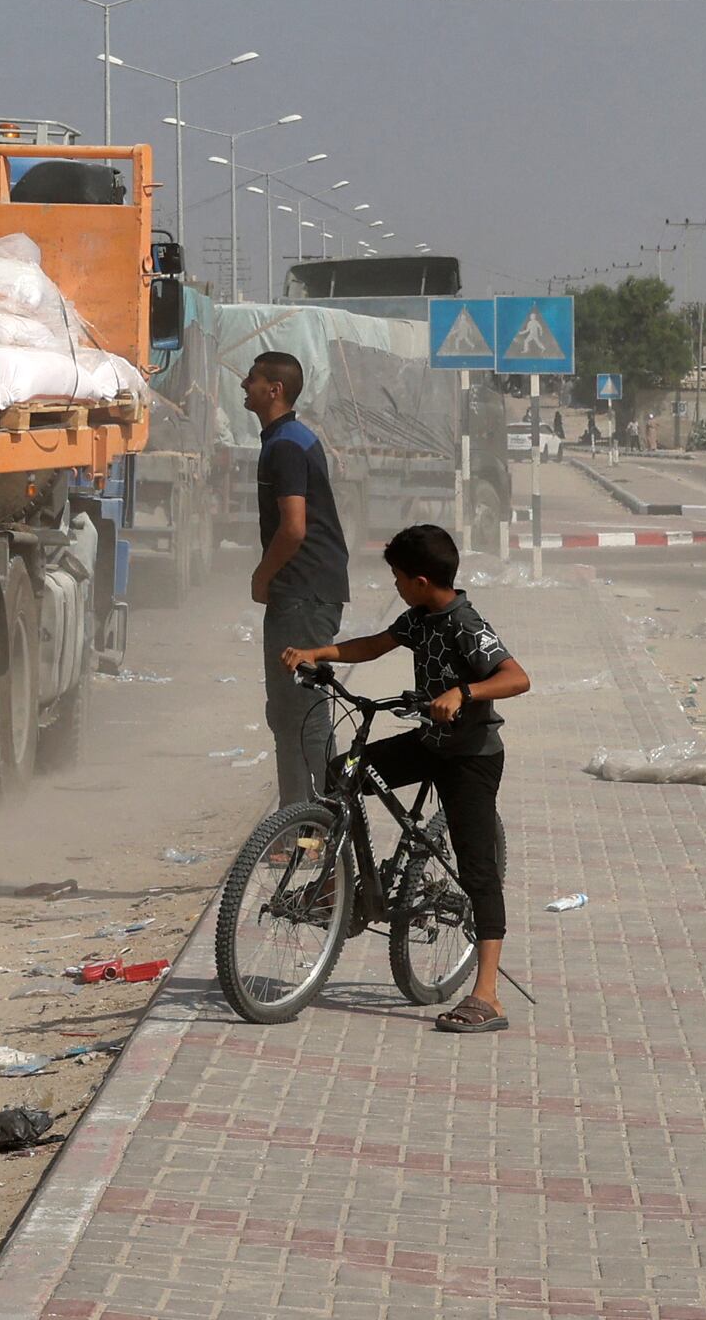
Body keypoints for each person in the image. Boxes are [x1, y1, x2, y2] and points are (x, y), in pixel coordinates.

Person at [280, 522, 532, 1033]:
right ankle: (342, 888)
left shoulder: (465, 622)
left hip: (470, 756)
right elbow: (374, 645)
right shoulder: (418, 618)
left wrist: (463, 692)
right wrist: (319, 653)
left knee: (477, 867)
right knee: (343, 771)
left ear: (419, 580)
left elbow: (516, 677)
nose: (393, 585)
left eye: (396, 577)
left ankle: (487, 995)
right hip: (428, 743)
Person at [243, 348, 346, 808]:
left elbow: (294, 527)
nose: (244, 386)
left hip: (303, 593)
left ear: (274, 389)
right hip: (303, 591)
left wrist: (262, 576)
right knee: (285, 713)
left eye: (252, 379)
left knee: (304, 712)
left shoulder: (285, 445)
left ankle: (335, 820)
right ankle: (297, 825)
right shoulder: (287, 438)